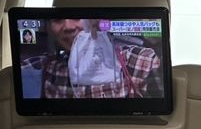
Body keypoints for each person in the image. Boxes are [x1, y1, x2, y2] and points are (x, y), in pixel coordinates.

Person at [21, 19, 163, 98]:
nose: (68, 26)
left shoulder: (140, 61)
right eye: (58, 19)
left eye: (76, 17)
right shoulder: (41, 69)